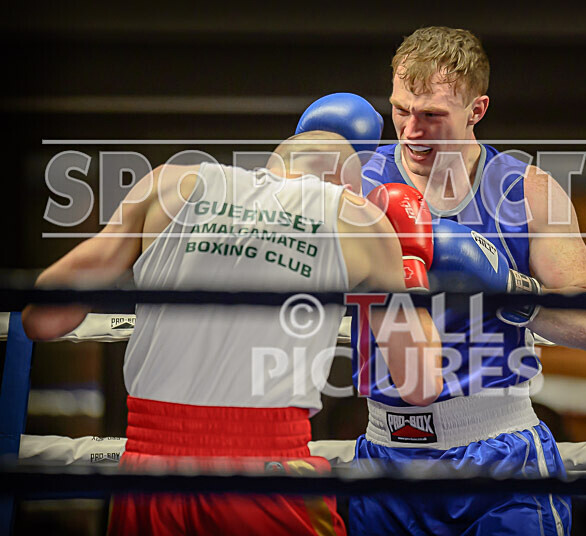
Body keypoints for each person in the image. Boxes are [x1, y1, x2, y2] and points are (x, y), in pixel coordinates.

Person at [22, 131, 442, 535]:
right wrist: (408, 263)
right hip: (264, 470)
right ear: (348, 188)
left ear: (272, 166)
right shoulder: (357, 220)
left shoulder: (170, 184)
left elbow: (42, 319)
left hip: (150, 470)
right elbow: (419, 383)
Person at [297, 27, 586, 535]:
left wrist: (505, 286)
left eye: (432, 115)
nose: (411, 130)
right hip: (385, 457)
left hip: (499, 459)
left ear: (476, 110)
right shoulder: (355, 185)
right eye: (400, 110)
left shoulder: (525, 190)